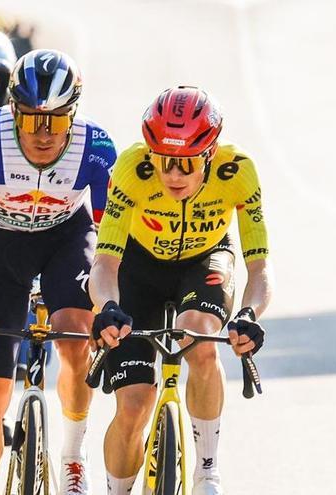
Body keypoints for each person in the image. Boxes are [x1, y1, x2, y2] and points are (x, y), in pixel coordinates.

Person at [0, 49, 116, 495]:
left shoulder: (96, 148)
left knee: (76, 336)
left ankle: (73, 457)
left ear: (72, 115)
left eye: (56, 121)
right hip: (0, 246)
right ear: (12, 110)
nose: (43, 133)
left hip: (65, 240)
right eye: (31, 119)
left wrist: (110, 305)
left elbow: (113, 244)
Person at [88, 86, 272, 495]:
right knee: (133, 405)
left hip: (204, 260)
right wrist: (107, 305)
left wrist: (249, 314)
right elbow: (104, 264)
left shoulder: (238, 170)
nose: (173, 175)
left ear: (210, 154)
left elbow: (259, 266)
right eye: (163, 161)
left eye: (186, 165)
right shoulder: (131, 167)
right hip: (139, 267)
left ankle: (207, 473)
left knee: (200, 339)